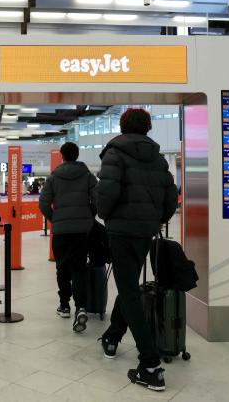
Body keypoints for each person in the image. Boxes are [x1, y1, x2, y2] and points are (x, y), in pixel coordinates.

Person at [96, 109, 178, 392]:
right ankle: (112, 337)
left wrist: (106, 216)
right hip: (145, 232)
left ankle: (150, 365)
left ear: (122, 126)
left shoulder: (114, 154)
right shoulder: (158, 160)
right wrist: (157, 219)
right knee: (128, 285)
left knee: (129, 290)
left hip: (121, 231)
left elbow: (105, 194)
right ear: (148, 127)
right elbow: (171, 196)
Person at [39, 142, 97, 333]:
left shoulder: (54, 178)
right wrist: (89, 216)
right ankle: (81, 307)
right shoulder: (88, 176)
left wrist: (53, 218)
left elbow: (44, 203)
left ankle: (64, 305)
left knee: (62, 268)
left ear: (62, 156)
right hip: (82, 231)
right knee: (80, 268)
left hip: (61, 231)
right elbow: (97, 200)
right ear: (77, 154)